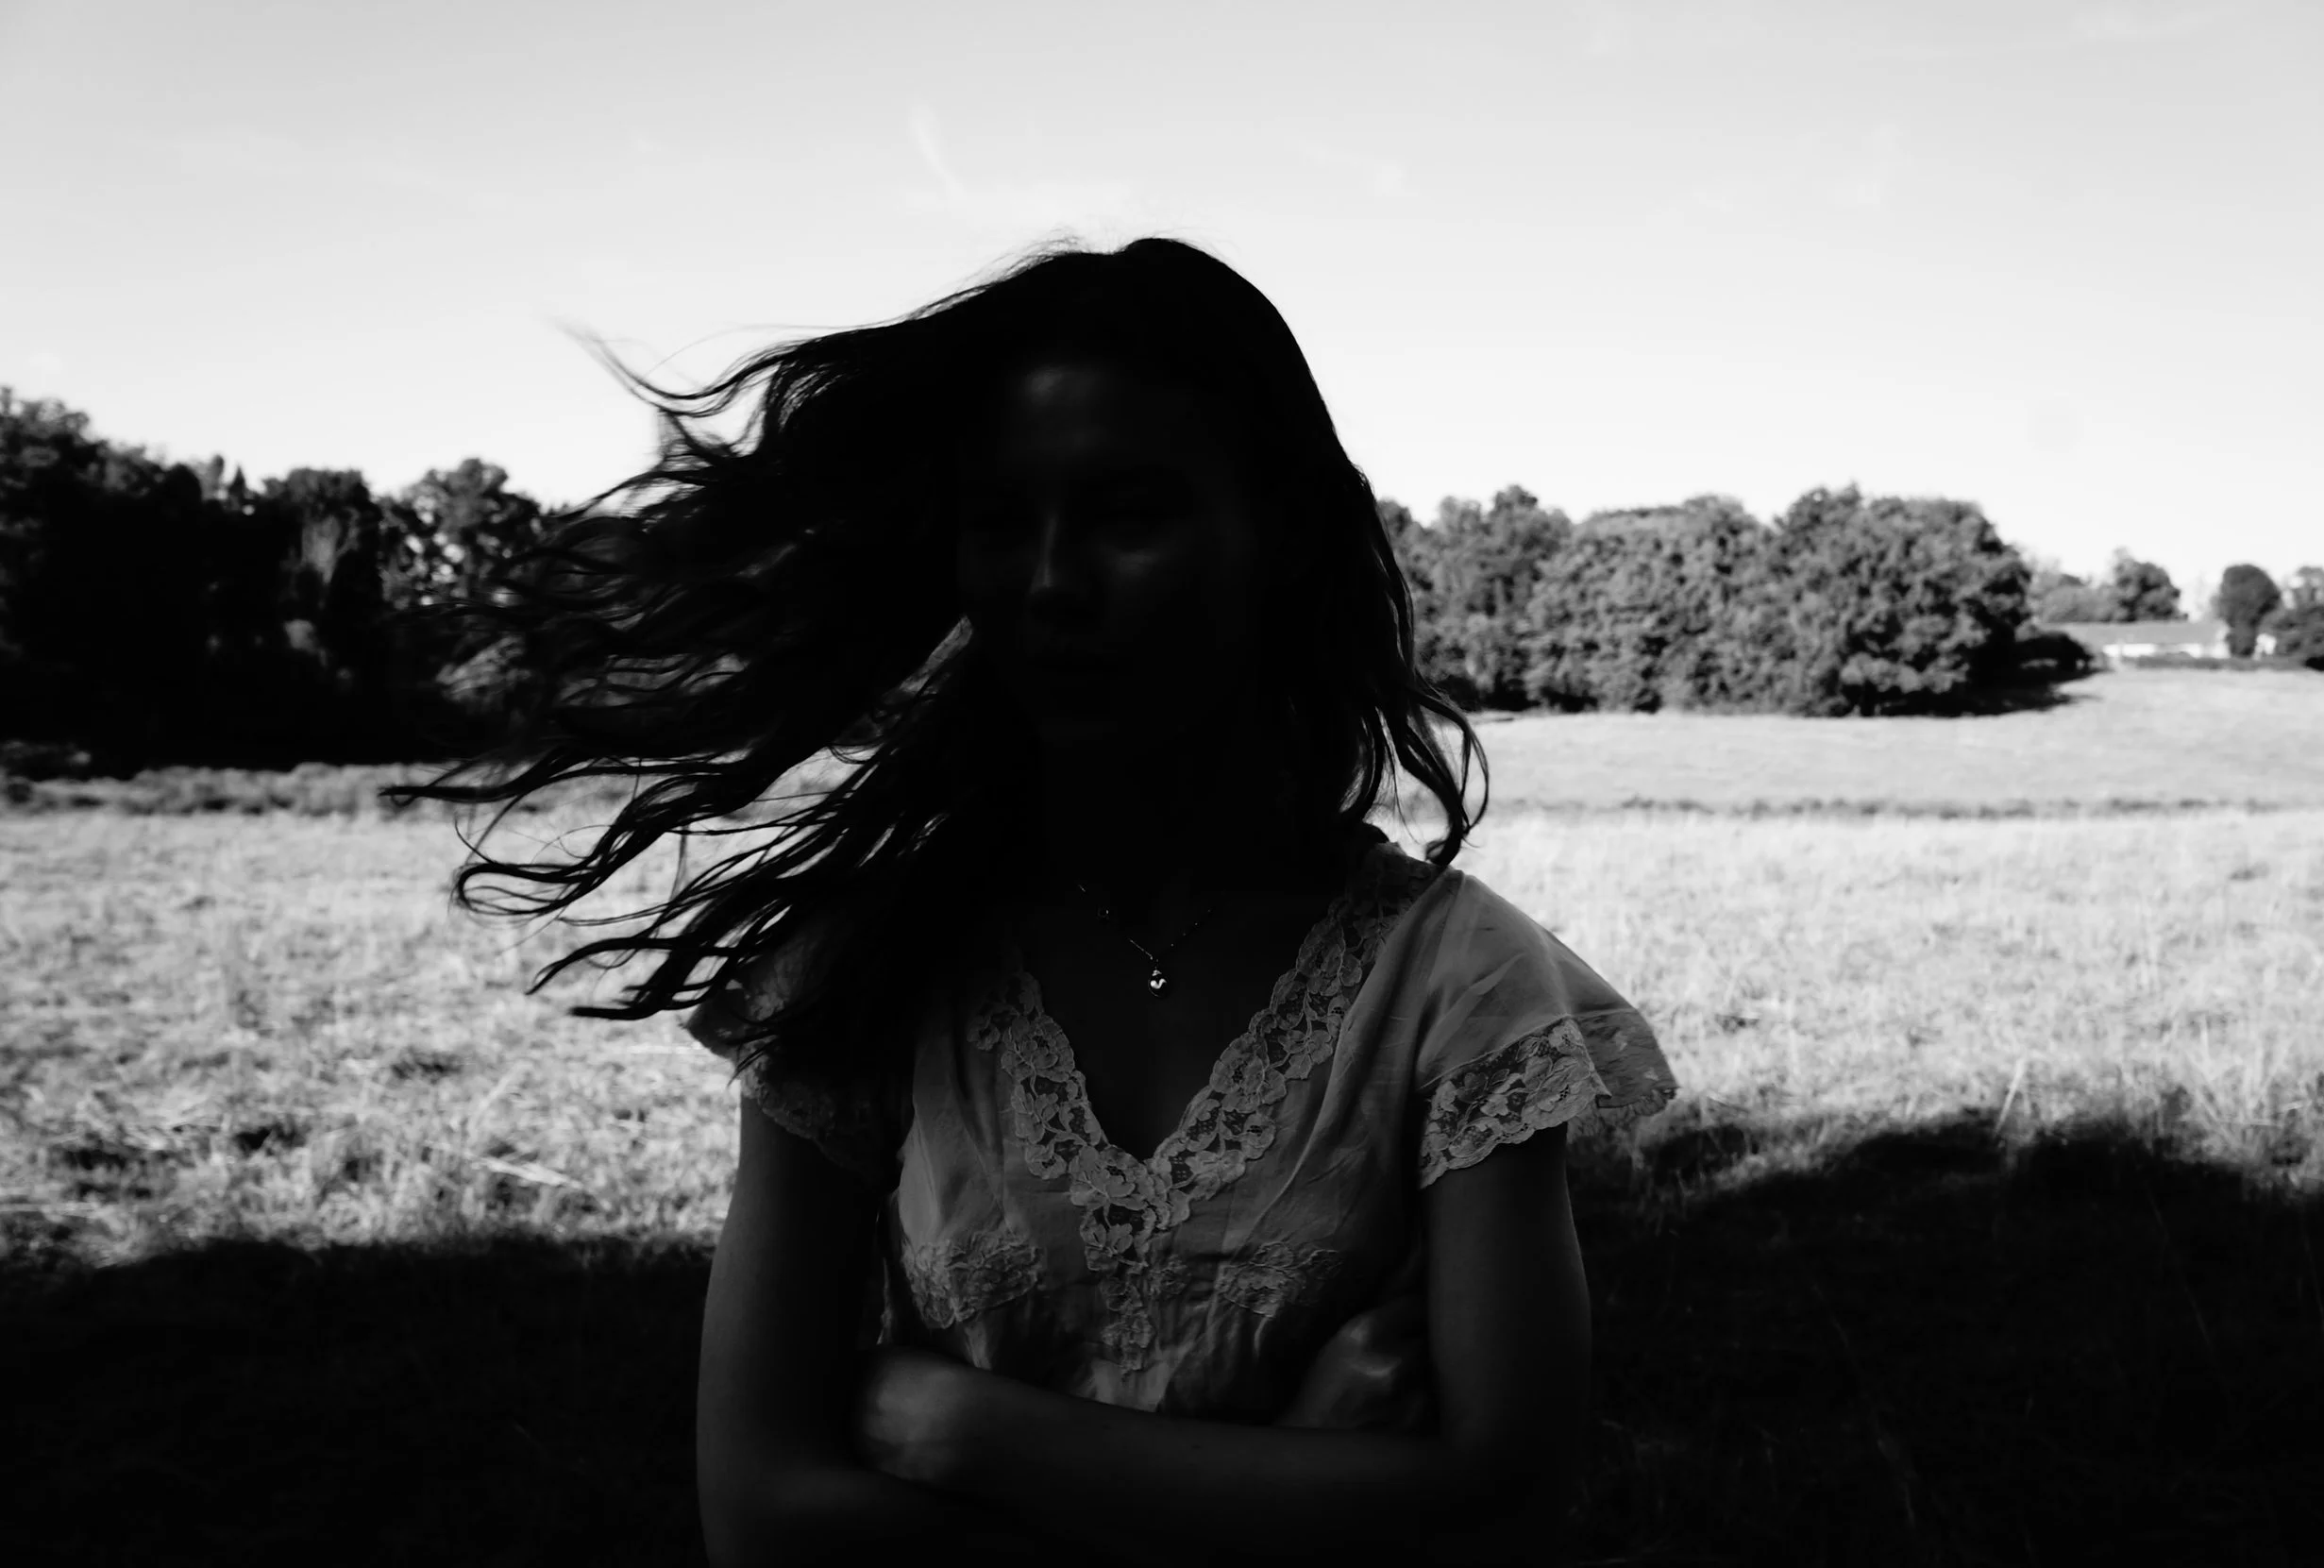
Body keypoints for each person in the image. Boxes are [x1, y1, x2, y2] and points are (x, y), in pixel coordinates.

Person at [391, 236, 1678, 1566]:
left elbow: (1505, 1518)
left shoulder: (1464, 999)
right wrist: (1297, 1483)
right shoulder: (860, 973)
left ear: (1279, 537)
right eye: (1003, 525)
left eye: (1127, 514)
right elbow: (763, 1523)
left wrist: (961, 1433)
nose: (1051, 582)